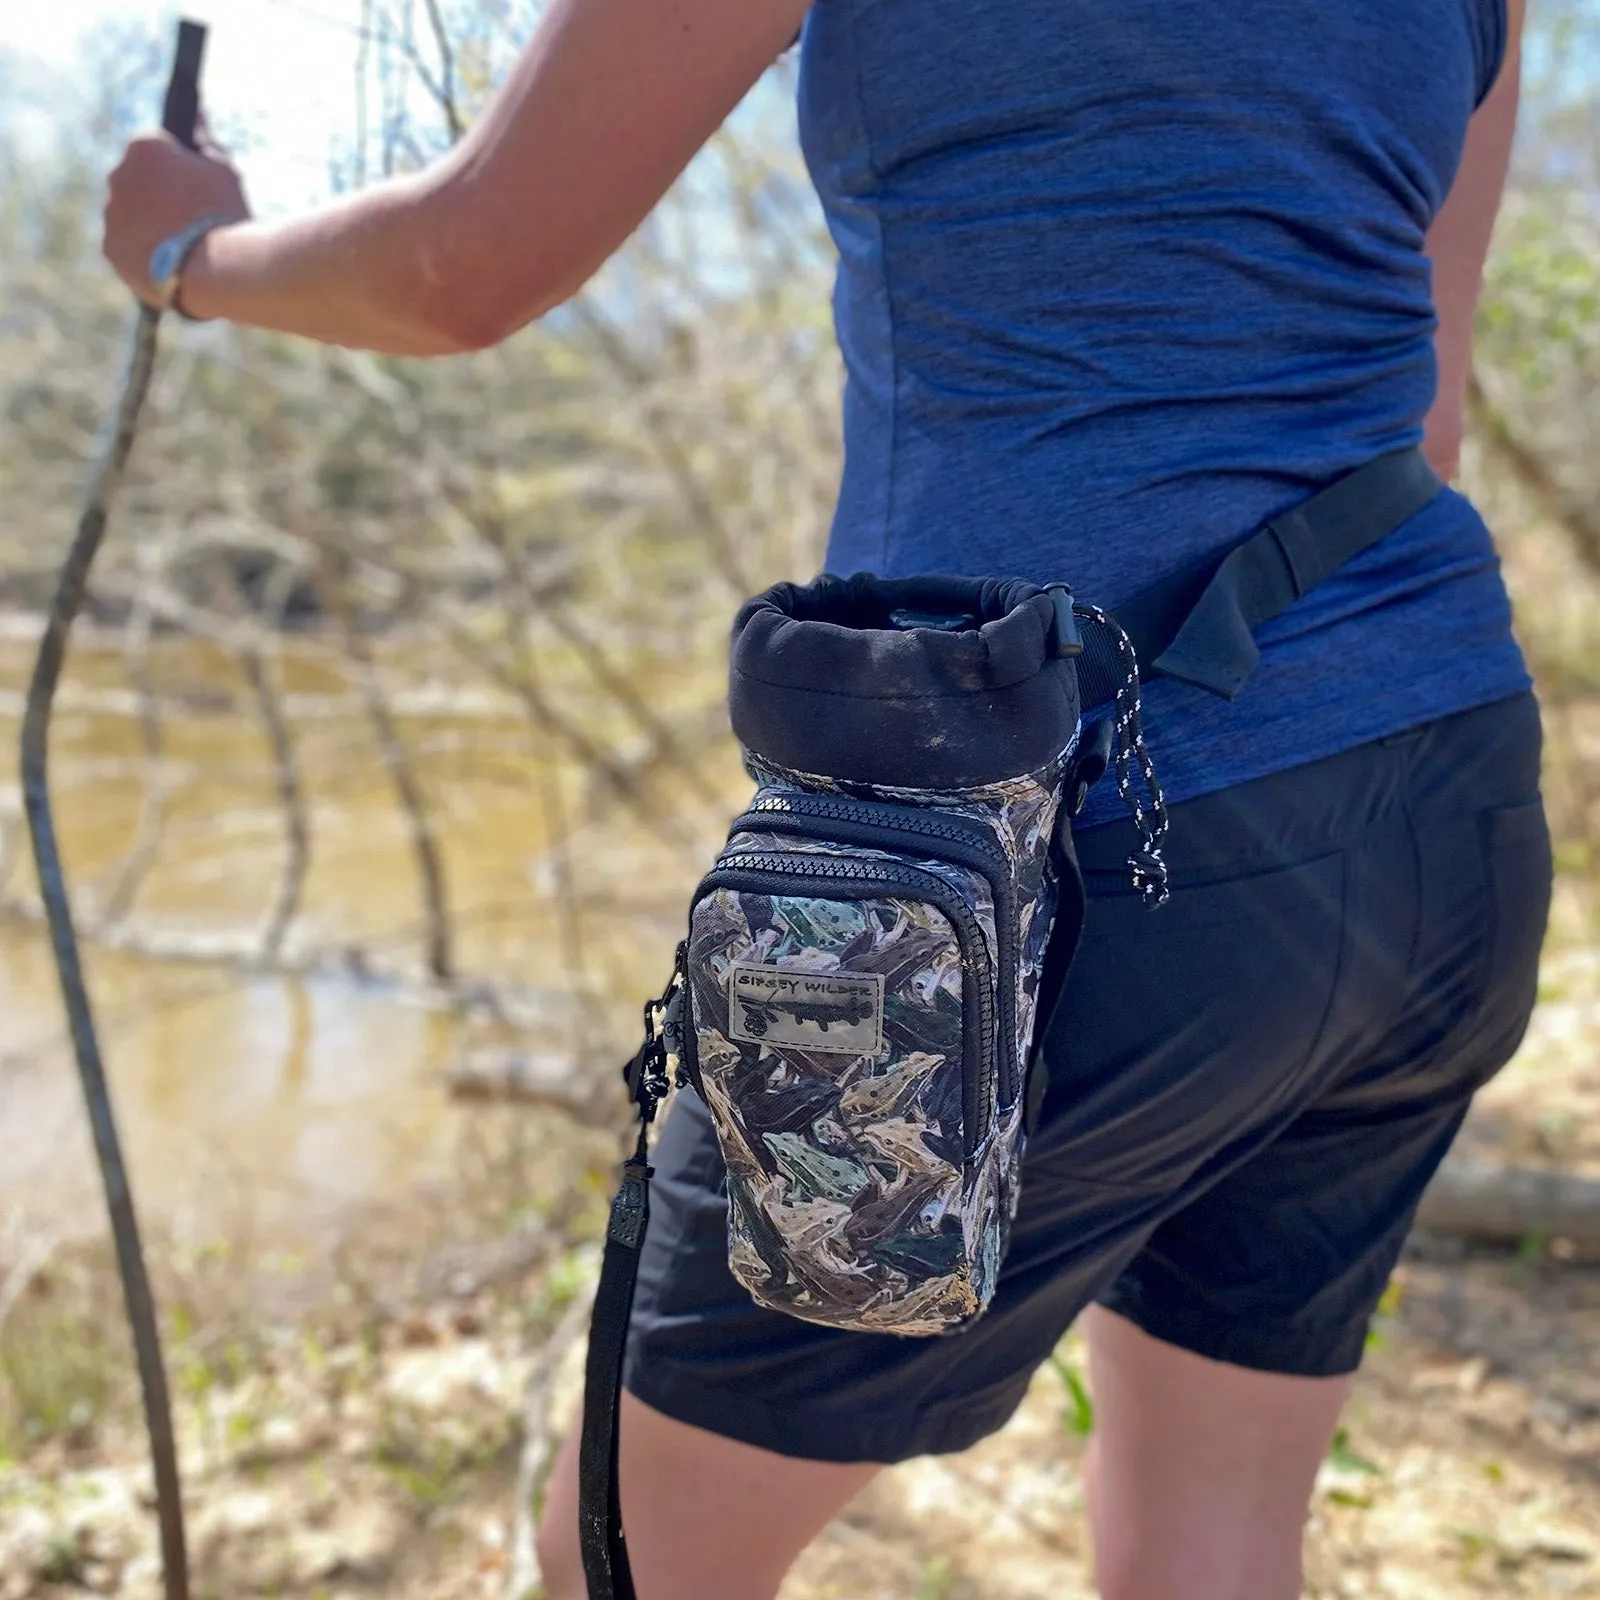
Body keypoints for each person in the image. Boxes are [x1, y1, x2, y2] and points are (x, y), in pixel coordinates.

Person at [104, 0, 1551, 1594]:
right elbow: (1428, 403)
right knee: (1212, 1529)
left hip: (1039, 850)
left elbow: (465, 266)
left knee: (630, 1553)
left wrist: (191, 254)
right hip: (1438, 783)